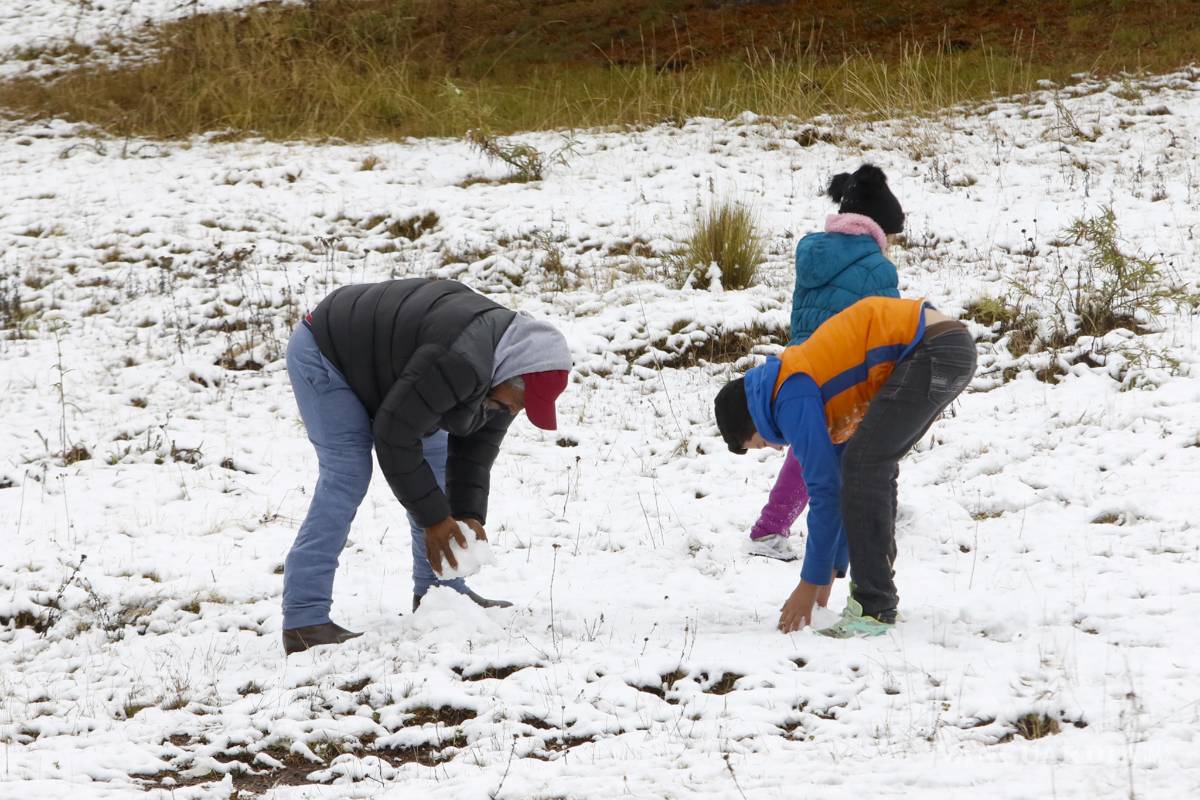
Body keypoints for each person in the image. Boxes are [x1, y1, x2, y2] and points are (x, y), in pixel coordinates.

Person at [282, 278, 572, 654]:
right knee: (348, 474)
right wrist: (436, 521)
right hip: (328, 353)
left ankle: (441, 597)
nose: (515, 411)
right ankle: (305, 619)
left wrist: (468, 515)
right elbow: (394, 437)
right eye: (518, 402)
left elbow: (474, 449)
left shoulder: (508, 372)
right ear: (512, 374)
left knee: (433, 462)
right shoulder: (461, 361)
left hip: (399, 370)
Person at [714, 296, 976, 638]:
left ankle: (874, 607)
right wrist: (831, 571)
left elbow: (825, 491)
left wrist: (809, 583)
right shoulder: (801, 384)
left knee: (866, 466)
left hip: (931, 349)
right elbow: (838, 484)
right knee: (868, 464)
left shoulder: (789, 395)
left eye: (761, 442)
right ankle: (874, 597)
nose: (777, 446)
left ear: (753, 417)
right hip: (945, 346)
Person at [749, 163, 904, 561]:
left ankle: (776, 526)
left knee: (811, 448)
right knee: (835, 456)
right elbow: (888, 325)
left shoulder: (813, 252)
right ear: (876, 227)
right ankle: (784, 534)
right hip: (847, 371)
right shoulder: (876, 267)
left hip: (803, 361)